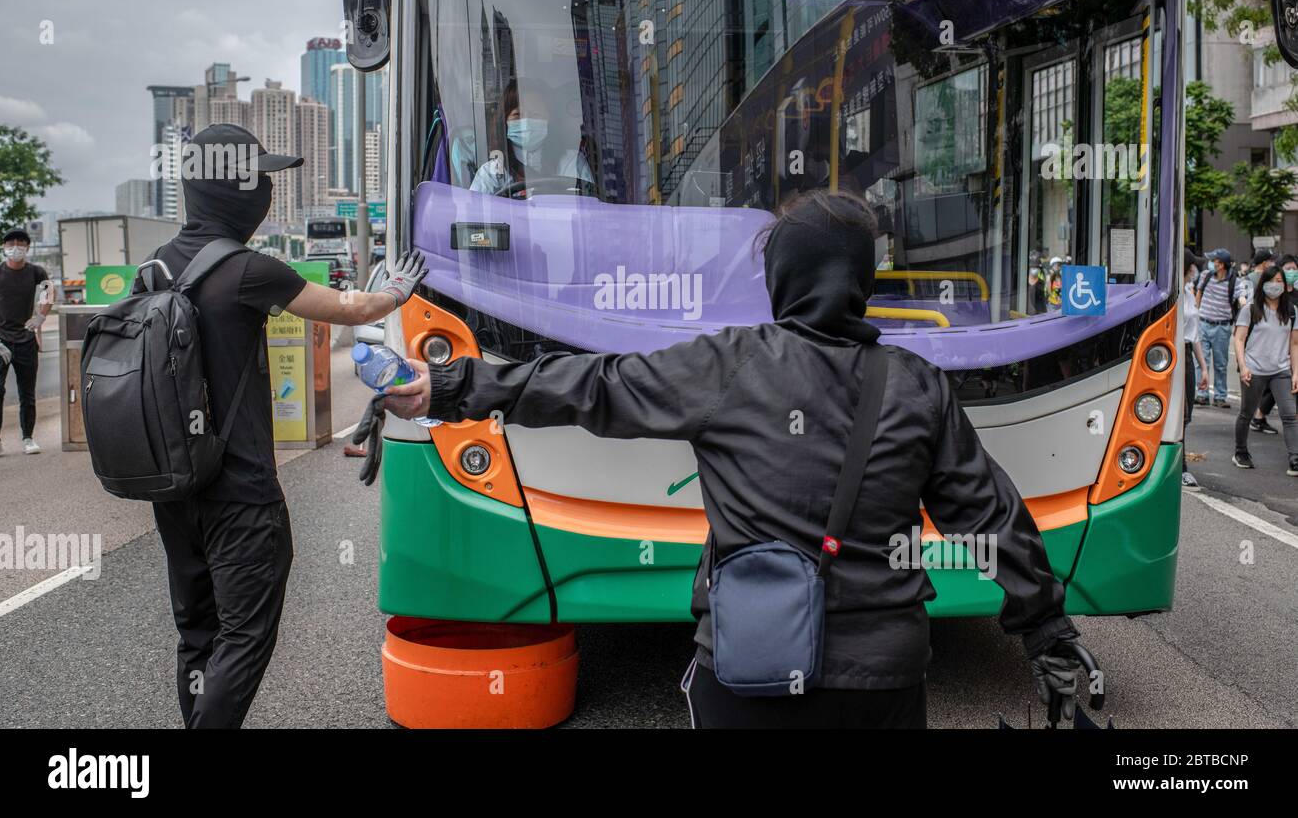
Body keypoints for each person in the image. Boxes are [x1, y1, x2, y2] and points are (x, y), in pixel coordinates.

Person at [383, 189, 1085, 728]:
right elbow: (989, 514)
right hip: (885, 680)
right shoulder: (916, 383)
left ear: (784, 278)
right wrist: (1046, 631)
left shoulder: (728, 366)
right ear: (860, 280)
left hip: (752, 668)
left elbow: (590, 387)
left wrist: (453, 386)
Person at [140, 124, 428, 728]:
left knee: (199, 633)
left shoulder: (155, 267)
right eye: (261, 178)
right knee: (245, 636)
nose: (267, 190)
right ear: (235, 188)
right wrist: (395, 291)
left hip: (177, 487)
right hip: (241, 494)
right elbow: (351, 308)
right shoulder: (247, 269)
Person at [469, 78, 593, 196]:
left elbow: (589, 210)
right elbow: (475, 213)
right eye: (517, 115)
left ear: (550, 121)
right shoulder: (491, 173)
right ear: (504, 122)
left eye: (535, 114)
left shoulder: (572, 164)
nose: (526, 121)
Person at [1231, 263, 1298, 475]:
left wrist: (1296, 372)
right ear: (1263, 284)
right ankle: (1240, 452)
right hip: (1254, 369)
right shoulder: (1250, 309)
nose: (1275, 285)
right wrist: (1243, 367)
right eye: (1271, 281)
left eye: (1279, 281)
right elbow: (1239, 339)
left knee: (1289, 415)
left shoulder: (1291, 311)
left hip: (1281, 371)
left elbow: (1294, 344)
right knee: (1246, 413)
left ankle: (1295, 459)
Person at [0, 228, 54, 455]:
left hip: (26, 340)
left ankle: (28, 438)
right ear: (4, 247)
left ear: (28, 247)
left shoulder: (36, 272)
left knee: (27, 393)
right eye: (11, 243)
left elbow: (48, 292)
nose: (16, 247)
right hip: (1, 342)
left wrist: (40, 316)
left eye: (21, 243)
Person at [1195, 249, 1247, 408]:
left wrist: (1245, 308)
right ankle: (1201, 394)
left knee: (1220, 363)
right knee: (1201, 361)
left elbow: (1241, 298)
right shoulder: (1206, 276)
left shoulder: (1234, 281)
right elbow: (1199, 292)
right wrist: (1196, 311)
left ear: (1221, 264)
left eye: (1214, 260)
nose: (1212, 263)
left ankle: (1220, 396)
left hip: (1222, 327)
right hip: (1203, 323)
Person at [1181, 251, 1209, 489]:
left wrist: (1203, 366)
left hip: (1187, 352)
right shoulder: (1170, 294)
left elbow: (1195, 334)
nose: (1196, 271)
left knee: (1186, 411)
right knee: (1179, 412)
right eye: (1194, 267)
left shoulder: (1189, 292)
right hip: (1173, 353)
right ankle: (1180, 467)